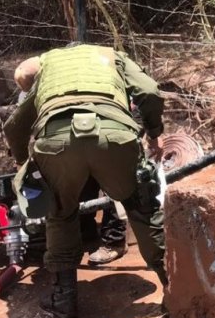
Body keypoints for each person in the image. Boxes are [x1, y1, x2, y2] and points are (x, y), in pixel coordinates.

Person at [3, 43, 167, 318]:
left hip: (57, 144)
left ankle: (64, 299)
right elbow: (150, 91)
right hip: (115, 136)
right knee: (141, 205)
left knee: (60, 213)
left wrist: (21, 162)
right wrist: (154, 132)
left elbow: (15, 126)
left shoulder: (48, 65)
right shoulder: (113, 56)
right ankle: (175, 287)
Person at [15, 57, 130, 266]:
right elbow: (23, 126)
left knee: (111, 183)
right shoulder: (32, 92)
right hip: (70, 134)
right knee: (75, 176)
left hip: (105, 124)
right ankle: (84, 229)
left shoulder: (84, 78)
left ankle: (114, 241)